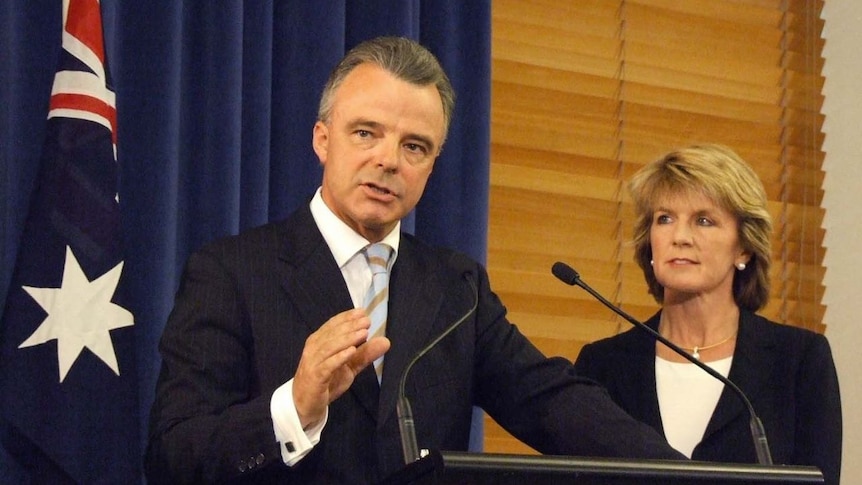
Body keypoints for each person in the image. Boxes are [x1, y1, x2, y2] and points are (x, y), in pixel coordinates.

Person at [144, 36, 684, 485]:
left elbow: (550, 401)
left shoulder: (455, 287)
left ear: (431, 166)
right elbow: (172, 456)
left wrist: (694, 474)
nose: (388, 160)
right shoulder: (233, 271)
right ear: (322, 139)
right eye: (365, 133)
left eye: (415, 147)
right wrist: (294, 407)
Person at [573, 144, 842, 485]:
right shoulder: (602, 366)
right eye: (665, 219)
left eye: (703, 220)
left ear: (743, 246)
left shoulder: (799, 361)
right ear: (649, 243)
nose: (680, 237)